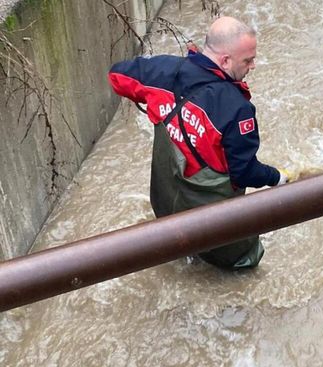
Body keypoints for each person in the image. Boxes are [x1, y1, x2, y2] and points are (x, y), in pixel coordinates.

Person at [108, 16, 288, 269]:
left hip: (167, 199)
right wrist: (278, 177)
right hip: (211, 218)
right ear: (225, 61)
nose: (253, 66)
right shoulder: (237, 109)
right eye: (248, 60)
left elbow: (116, 75)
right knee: (242, 266)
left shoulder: (163, 71)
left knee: (172, 245)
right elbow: (244, 172)